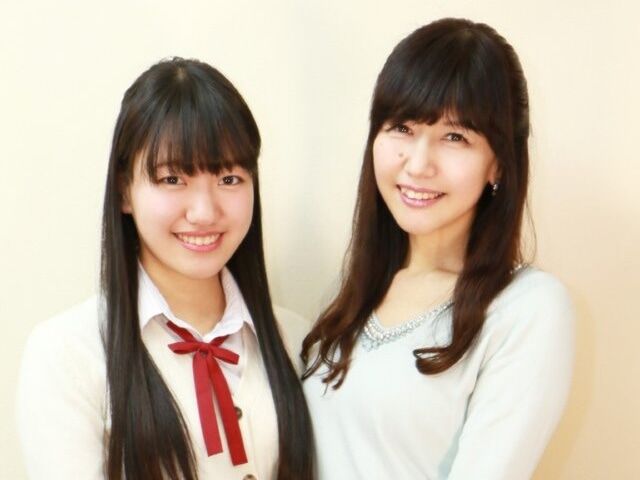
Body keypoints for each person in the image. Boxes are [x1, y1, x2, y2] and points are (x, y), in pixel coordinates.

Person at [302, 18, 574, 480]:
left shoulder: (527, 308)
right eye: (402, 127)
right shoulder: (351, 296)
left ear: (498, 164)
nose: (418, 164)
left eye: (455, 137)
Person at [17, 58, 314, 480]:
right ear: (124, 190)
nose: (204, 212)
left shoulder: (296, 341)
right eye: (173, 179)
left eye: (229, 179)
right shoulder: (67, 355)